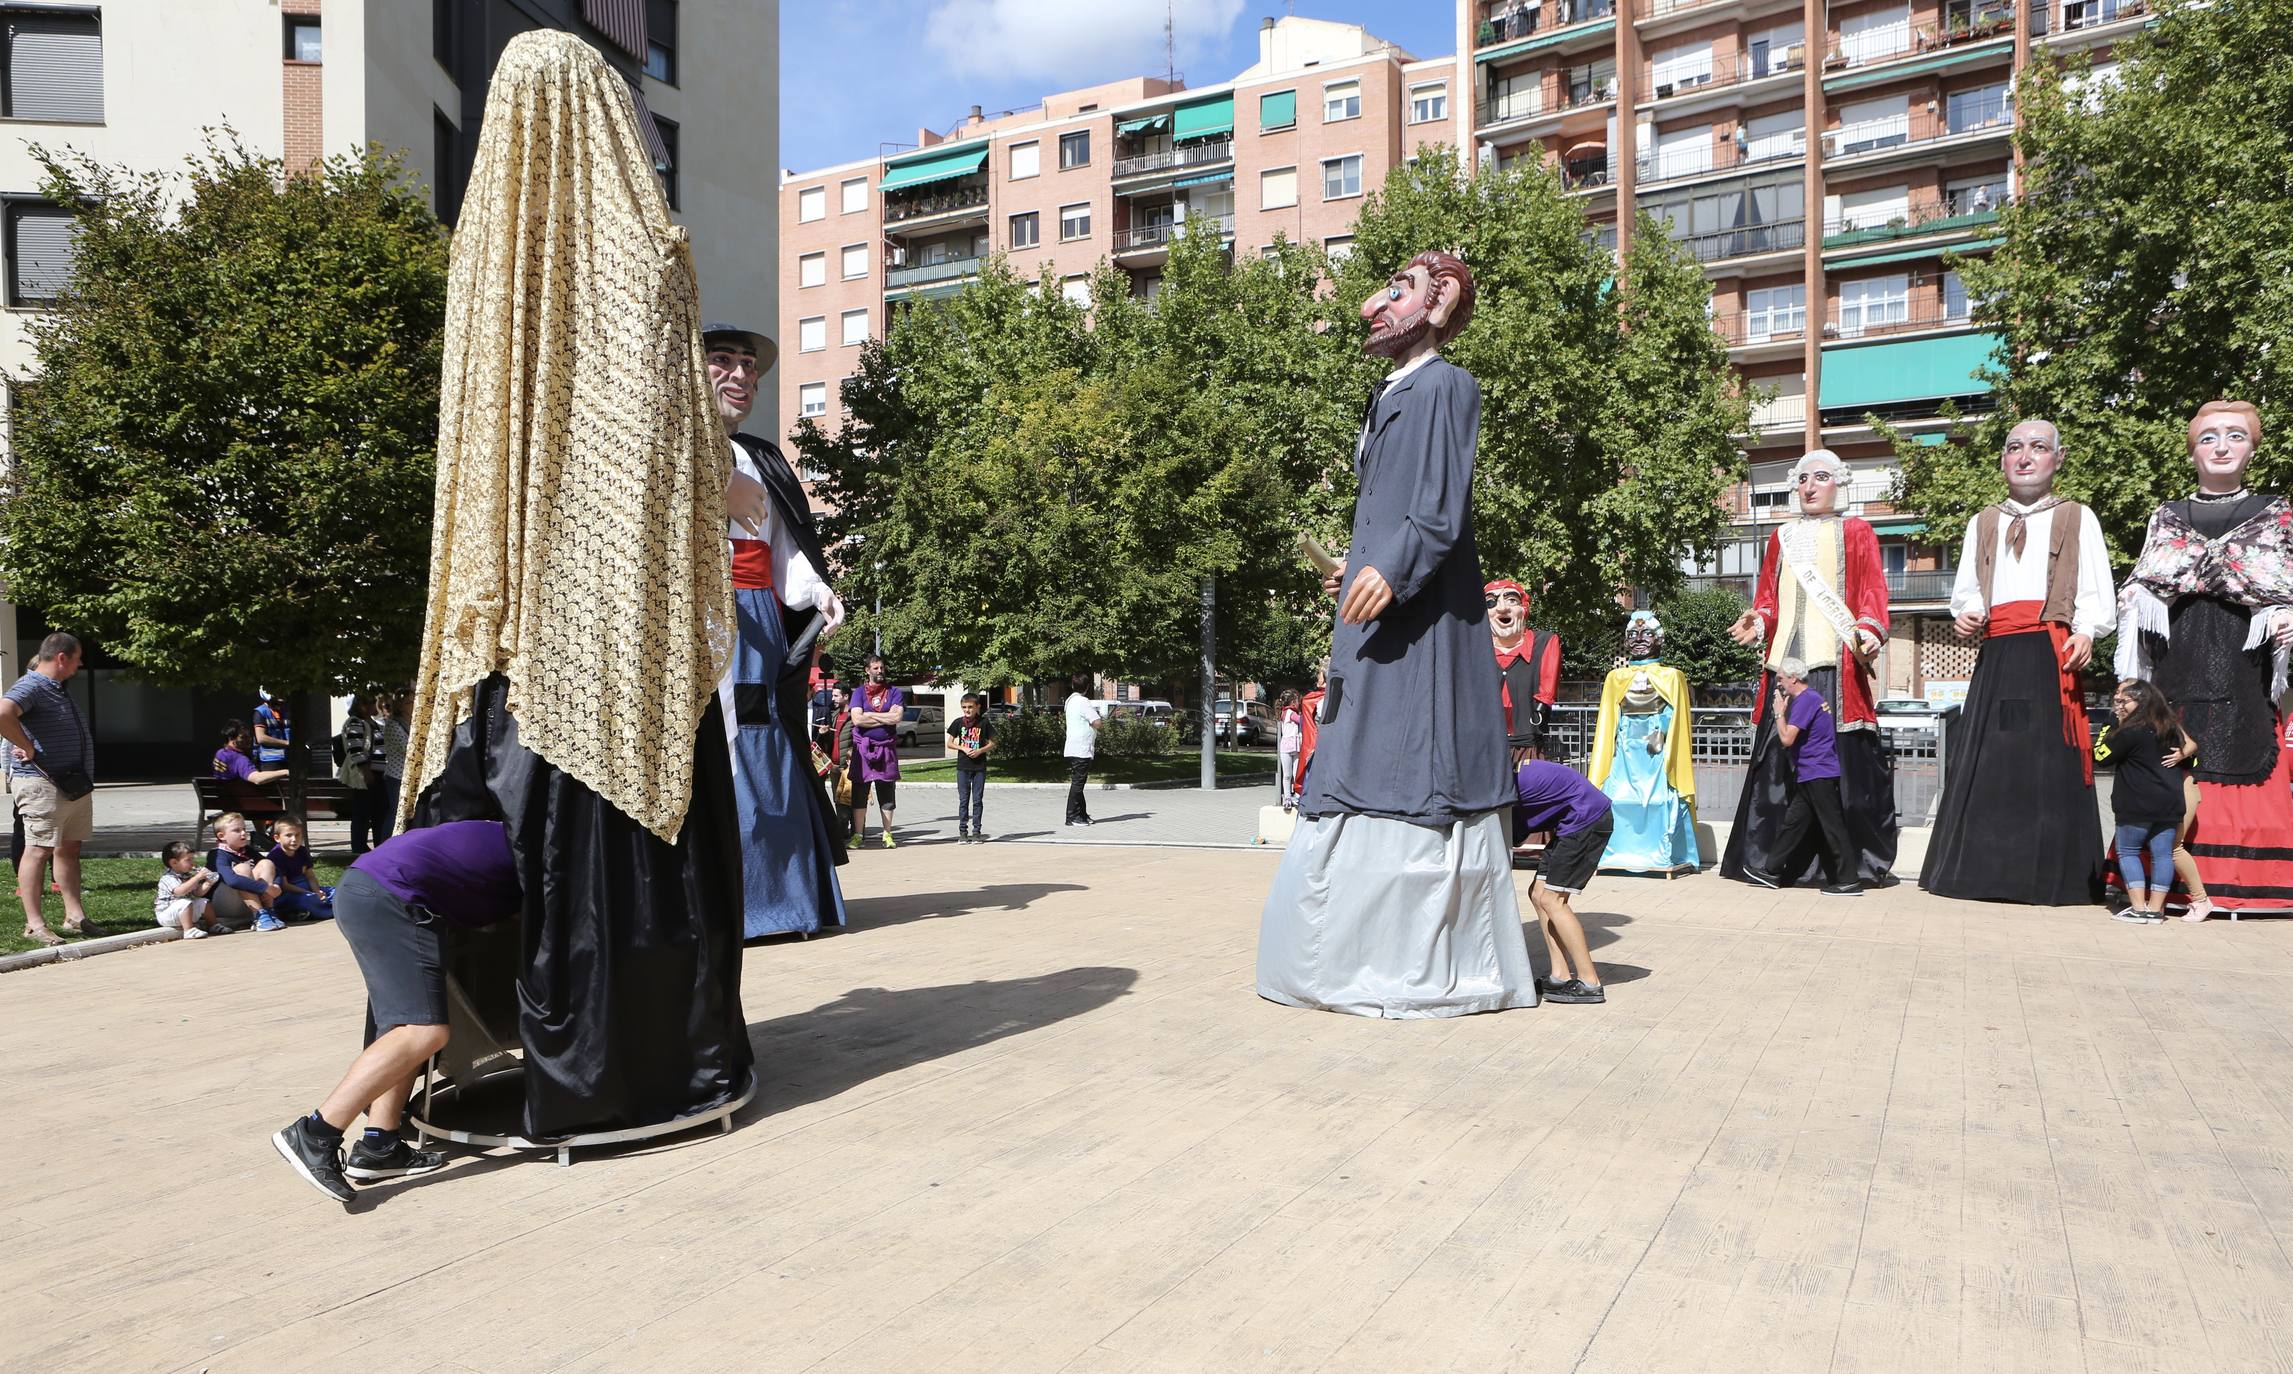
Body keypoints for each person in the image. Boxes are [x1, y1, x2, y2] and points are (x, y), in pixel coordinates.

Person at [392, 30, 750, 1141]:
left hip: (504, 650)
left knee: (508, 847)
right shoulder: (642, 258)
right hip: (613, 650)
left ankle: (438, 1072)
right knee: (623, 849)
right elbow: (672, 460)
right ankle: (626, 1074)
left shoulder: (483, 270)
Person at [1258, 250, 1535, 1018]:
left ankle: (1398, 963)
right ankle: (1338, 958)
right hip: (1374, 619)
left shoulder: (1446, 384)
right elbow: (1396, 509)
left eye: (1398, 289)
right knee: (1359, 743)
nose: (1371, 307)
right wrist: (1356, 563)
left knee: (1409, 744)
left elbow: (1439, 510)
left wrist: (1394, 569)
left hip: (1415, 623)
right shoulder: (1391, 395)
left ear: (1439, 304)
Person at [270, 820, 520, 1204]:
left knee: (402, 1028)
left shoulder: (506, 830)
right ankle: (315, 1133)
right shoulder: (535, 849)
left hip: (367, 889)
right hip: (392, 897)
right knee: (425, 1030)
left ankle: (380, 1144)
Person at [1920, 420, 2111, 905]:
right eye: (2014, 448)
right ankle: (1981, 874)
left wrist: (2087, 629)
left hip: (2051, 653)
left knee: (2049, 763)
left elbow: (2095, 589)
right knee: (1992, 759)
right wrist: (1965, 614)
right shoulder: (1983, 520)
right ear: (2003, 460)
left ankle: (2053, 878)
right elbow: (1965, 590)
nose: (2025, 456)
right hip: (1999, 653)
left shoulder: (2076, 516)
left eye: (2039, 447)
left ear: (2058, 458)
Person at [2115, 399, 2293, 912]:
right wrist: (2138, 597)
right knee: (2170, 746)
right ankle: (2157, 886)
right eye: (2209, 436)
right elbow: (2146, 580)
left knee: (2246, 743)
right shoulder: (2166, 516)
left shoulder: (2275, 512)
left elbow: (2283, 584)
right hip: (2180, 651)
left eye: (2235, 435)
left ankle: (2247, 885)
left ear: (2252, 449)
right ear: (2193, 450)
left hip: (2248, 655)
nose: (2221, 446)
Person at [704, 320, 849, 937]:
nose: (740, 375)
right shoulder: (657, 447)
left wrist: (817, 590)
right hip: (691, 615)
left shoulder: (762, 455)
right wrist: (710, 481)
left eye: (749, 365)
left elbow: (782, 546)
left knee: (758, 743)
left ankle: (774, 902)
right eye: (723, 360)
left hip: (754, 620)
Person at [1723, 449, 1897, 886]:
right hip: (1784, 662)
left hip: (1833, 668)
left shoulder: (1857, 531)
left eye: (1820, 477)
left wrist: (1870, 630)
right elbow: (1768, 599)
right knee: (1780, 766)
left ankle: (1842, 866)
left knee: (1827, 768)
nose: (1809, 486)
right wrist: (1757, 620)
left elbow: (1874, 593)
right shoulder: (1780, 536)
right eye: (1802, 479)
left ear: (1839, 482)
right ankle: (1772, 860)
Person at [2, 632, 101, 946]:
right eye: (77, 657)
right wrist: (26, 746)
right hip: (41, 784)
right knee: (38, 849)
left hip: (71, 785)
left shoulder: (55, 688)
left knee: (69, 848)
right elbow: (3, 713)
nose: (80, 663)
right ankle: (34, 924)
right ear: (62, 657)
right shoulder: (31, 685)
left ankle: (75, 916)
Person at [1588, 610, 1699, 874]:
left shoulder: (1672, 676)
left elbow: (1675, 716)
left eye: (1646, 634)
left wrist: (1659, 738)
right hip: (1625, 749)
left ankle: (1661, 853)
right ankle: (1618, 851)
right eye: (1632, 635)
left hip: (1656, 748)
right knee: (1618, 797)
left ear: (1659, 639)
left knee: (1660, 799)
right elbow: (1610, 719)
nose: (1639, 640)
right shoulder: (1616, 678)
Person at [1743, 657, 1860, 895]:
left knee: (1833, 827)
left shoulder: (1807, 700)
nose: (1779, 685)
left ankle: (1849, 880)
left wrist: (1779, 713)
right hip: (1810, 773)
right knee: (1793, 824)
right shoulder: (1811, 699)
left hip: (1818, 773)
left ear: (1794, 678)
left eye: (1782, 679)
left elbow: (1787, 739)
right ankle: (1771, 871)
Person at [1511, 760, 1615, 1003]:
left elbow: (1512, 836)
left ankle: (1590, 982)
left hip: (1587, 820)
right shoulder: (1511, 773)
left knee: (1553, 900)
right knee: (1538, 894)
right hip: (1574, 821)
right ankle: (1559, 975)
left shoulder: (1506, 788)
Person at [2095, 680, 2187, 923]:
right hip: (2170, 801)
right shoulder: (2169, 728)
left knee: (2128, 851)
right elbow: (2191, 759)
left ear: (2141, 702)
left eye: (2125, 701)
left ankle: (2138, 907)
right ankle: (2156, 910)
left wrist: (2109, 724)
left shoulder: (2130, 731)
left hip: (2137, 802)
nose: (2120, 705)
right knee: (2163, 855)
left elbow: (2101, 756)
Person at [1487, 578, 1561, 765]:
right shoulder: (1473, 648)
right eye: (1491, 602)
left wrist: (1542, 707)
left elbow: (1547, 688)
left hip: (1527, 748)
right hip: (1484, 748)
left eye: (1511, 600)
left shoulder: (1544, 643)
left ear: (1524, 608)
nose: (1502, 608)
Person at [847, 656, 904, 846]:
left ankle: (887, 834)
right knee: (860, 790)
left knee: (886, 789)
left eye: (882, 668)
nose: (880, 671)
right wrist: (884, 717)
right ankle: (858, 835)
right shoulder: (858, 693)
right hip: (862, 748)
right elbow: (857, 720)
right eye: (876, 668)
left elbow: (897, 717)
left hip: (886, 747)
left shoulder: (894, 692)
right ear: (867, 670)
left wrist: (869, 714)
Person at [208, 811, 283, 930]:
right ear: (221, 836)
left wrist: (276, 886)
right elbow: (233, 881)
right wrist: (265, 888)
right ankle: (259, 916)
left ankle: (268, 911)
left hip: (248, 901)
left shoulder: (247, 850)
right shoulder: (217, 855)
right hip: (224, 905)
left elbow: (277, 870)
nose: (243, 833)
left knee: (266, 863)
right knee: (242, 868)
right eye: (237, 830)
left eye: (244, 829)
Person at [338, 695, 385, 856]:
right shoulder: (355, 723)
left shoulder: (372, 722)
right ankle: (358, 848)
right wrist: (366, 771)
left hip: (377, 773)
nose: (375, 705)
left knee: (377, 813)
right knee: (362, 813)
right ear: (360, 705)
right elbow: (355, 749)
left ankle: (378, 845)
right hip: (366, 775)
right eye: (371, 702)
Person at [948, 692, 997, 841]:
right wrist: (963, 748)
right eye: (964, 707)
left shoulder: (984, 723)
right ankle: (963, 832)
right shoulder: (958, 723)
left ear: (977, 707)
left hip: (979, 767)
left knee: (977, 800)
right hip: (963, 767)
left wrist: (980, 751)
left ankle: (976, 831)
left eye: (970, 707)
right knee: (963, 800)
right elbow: (949, 743)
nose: (967, 710)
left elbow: (993, 742)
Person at [266, 817, 334, 922]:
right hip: (289, 893)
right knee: (307, 899)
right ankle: (330, 911)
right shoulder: (276, 856)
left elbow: (310, 875)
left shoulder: (302, 851)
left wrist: (317, 891)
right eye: (289, 835)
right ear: (277, 838)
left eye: (297, 835)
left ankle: (320, 909)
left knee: (337, 891)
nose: (294, 839)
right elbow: (285, 886)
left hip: (307, 887)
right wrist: (308, 893)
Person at [154, 840, 223, 938]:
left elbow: (197, 893)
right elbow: (180, 891)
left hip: (185, 912)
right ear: (174, 863)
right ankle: (188, 930)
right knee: (184, 902)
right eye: (188, 860)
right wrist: (198, 877)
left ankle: (214, 925)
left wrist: (208, 883)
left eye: (192, 859)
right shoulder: (168, 878)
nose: (192, 863)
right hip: (167, 914)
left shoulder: (188, 876)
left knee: (204, 902)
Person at [1062, 673, 1105, 827]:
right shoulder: (1083, 702)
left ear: (1073, 686)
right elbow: (1097, 722)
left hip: (1073, 746)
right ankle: (1071, 816)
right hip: (1082, 748)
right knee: (1078, 783)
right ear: (1087, 687)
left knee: (1079, 781)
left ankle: (1082, 814)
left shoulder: (1069, 701)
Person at [213, 720, 292, 787]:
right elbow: (257, 779)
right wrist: (286, 772)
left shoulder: (220, 753)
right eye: (243, 737)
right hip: (242, 801)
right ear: (231, 738)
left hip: (224, 797)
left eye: (249, 736)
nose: (249, 739)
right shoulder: (240, 759)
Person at [375, 691, 409, 846]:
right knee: (395, 812)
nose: (413, 704)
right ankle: (385, 845)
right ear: (401, 706)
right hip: (397, 776)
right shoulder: (394, 724)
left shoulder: (408, 723)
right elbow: (408, 748)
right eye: (409, 702)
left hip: (407, 776)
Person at [1274, 689, 1303, 809]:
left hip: (1286, 747)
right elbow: (1302, 721)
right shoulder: (1291, 712)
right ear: (1292, 702)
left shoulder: (1284, 712)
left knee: (1287, 774)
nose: (1299, 703)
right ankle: (1294, 795)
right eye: (1298, 701)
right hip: (1293, 746)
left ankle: (1288, 797)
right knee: (1295, 773)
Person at [252, 692, 292, 772]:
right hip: (270, 761)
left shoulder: (284, 712)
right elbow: (261, 738)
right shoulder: (260, 712)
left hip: (289, 758)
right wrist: (286, 743)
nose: (282, 696)